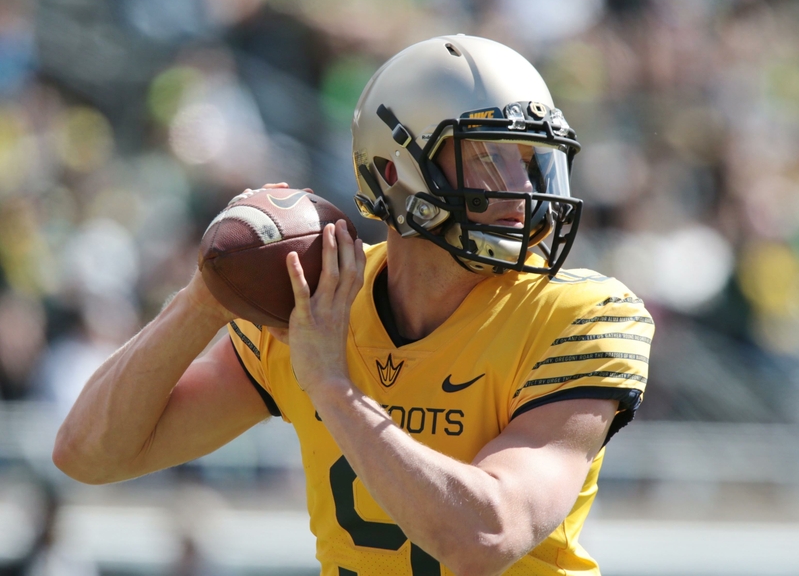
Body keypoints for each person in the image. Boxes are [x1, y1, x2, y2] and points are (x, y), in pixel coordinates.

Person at [53, 35, 653, 576]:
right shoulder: (319, 298)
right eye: (490, 156)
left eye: (529, 162)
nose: (523, 190)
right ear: (397, 170)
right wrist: (205, 298)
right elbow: (90, 455)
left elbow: (487, 536)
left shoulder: (581, 315)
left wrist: (333, 389)